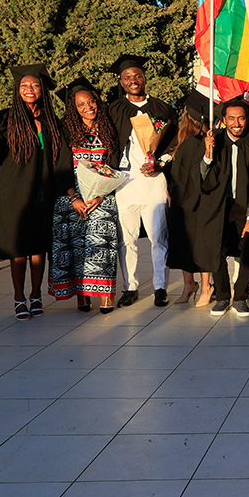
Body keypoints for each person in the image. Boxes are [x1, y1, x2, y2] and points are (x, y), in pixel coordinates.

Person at [0, 64, 72, 320]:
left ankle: (36, 296)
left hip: (43, 192)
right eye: (24, 86)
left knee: (39, 248)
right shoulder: (5, 118)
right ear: (17, 90)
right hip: (13, 192)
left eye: (34, 85)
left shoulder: (50, 121)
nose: (29, 89)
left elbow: (62, 159)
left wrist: (67, 190)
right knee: (18, 250)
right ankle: (18, 298)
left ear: (42, 89)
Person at [107, 54, 178, 308]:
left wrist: (161, 162)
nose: (133, 81)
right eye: (127, 78)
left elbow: (175, 142)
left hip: (154, 180)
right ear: (122, 82)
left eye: (137, 76)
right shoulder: (113, 110)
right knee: (126, 238)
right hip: (124, 182)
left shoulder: (161, 108)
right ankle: (131, 286)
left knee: (158, 236)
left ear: (144, 78)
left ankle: (160, 286)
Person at [48, 78, 121, 313]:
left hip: (101, 196)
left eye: (91, 102)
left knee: (103, 242)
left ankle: (106, 294)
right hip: (72, 195)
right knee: (75, 244)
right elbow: (59, 167)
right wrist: (73, 197)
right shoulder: (65, 131)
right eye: (81, 104)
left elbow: (113, 164)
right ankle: (82, 293)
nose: (88, 107)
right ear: (73, 108)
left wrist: (100, 195)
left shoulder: (108, 129)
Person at [196, 97, 249, 318]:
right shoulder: (214, 141)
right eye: (231, 119)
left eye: (241, 118)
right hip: (220, 207)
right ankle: (222, 297)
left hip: (247, 206)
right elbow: (204, 180)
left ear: (246, 119)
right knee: (216, 251)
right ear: (224, 120)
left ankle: (239, 297)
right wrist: (208, 155)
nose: (236, 123)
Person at [167, 93, 213, 307]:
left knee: (201, 243)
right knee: (184, 242)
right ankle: (189, 284)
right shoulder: (180, 140)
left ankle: (206, 285)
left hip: (201, 199)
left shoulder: (203, 141)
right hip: (180, 199)